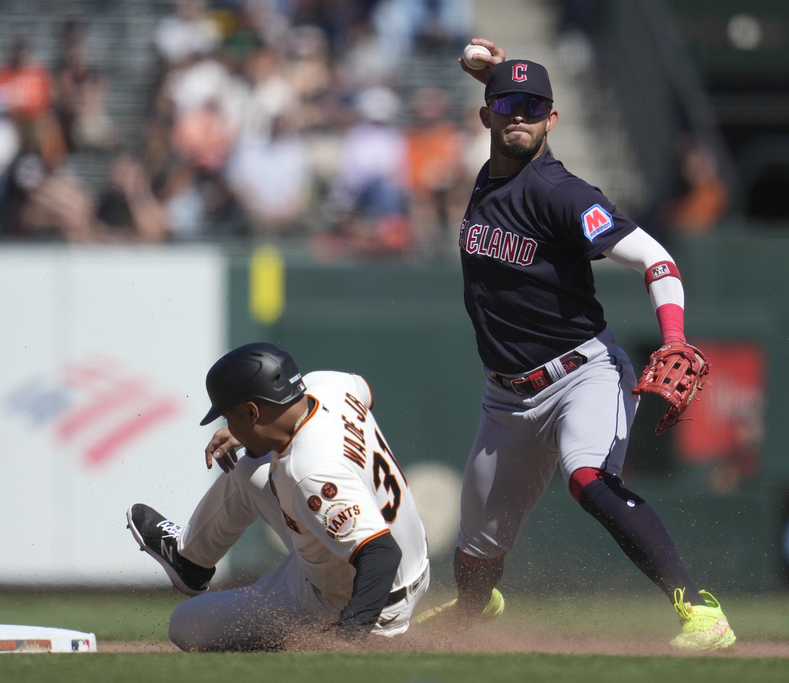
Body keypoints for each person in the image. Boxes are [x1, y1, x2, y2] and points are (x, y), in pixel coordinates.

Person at [415, 41, 736, 651]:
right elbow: (509, 110)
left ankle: (701, 612)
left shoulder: (563, 193)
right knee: (475, 552)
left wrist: (673, 339)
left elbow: (656, 258)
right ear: (484, 114)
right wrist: (498, 76)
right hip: (506, 396)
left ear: (553, 119)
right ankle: (474, 612)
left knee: (587, 477)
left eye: (534, 107)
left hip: (579, 374)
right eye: (507, 105)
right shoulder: (492, 170)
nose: (519, 116)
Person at [126, 342, 430, 651]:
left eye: (230, 417)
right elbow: (363, 390)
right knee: (248, 469)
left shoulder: (309, 471)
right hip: (407, 559)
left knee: (185, 624)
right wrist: (247, 428)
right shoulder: (330, 388)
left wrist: (348, 640)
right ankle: (190, 560)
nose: (228, 427)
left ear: (252, 411)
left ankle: (311, 637)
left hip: (367, 597)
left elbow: (380, 554)